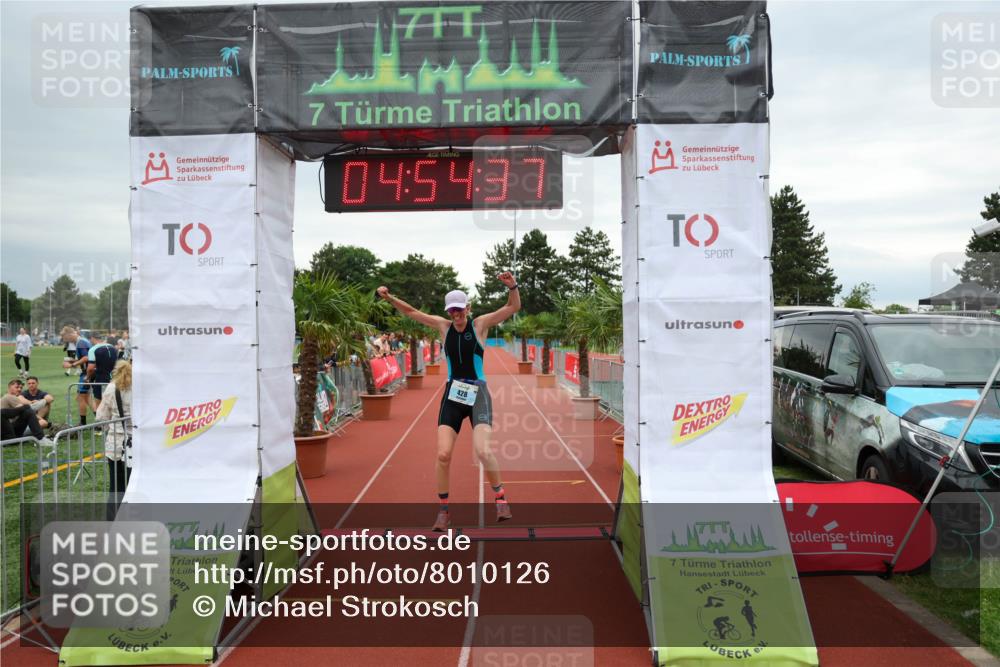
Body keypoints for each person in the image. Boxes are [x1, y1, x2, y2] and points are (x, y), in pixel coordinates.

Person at [378, 273, 520, 531]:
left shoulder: (479, 325)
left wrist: (512, 286)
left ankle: (500, 499)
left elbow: (512, 307)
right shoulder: (443, 327)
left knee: (483, 451)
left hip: (478, 394)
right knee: (443, 454)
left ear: (468, 307)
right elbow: (411, 312)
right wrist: (389, 298)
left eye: (459, 309)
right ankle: (444, 511)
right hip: (453, 395)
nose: (456, 314)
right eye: (451, 310)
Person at [96, 361, 132, 517]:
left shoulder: (111, 388)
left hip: (115, 442)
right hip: (137, 443)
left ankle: (112, 521)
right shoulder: (143, 388)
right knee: (135, 485)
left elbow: (101, 417)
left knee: (116, 487)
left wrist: (110, 428)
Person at [1, 379, 53, 443]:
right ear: (9, 388)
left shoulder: (6, 397)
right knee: (29, 412)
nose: (19, 389)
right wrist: (44, 401)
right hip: (8, 433)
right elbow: (28, 409)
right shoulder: (10, 397)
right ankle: (41, 438)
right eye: (16, 387)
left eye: (21, 388)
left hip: (8, 431)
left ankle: (42, 435)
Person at [61, 326, 93, 424]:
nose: (65, 340)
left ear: (69, 334)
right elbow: (86, 358)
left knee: (81, 397)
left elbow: (87, 358)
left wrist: (72, 364)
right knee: (85, 397)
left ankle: (83, 423)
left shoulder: (81, 342)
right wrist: (73, 361)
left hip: (87, 373)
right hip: (87, 371)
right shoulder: (81, 341)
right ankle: (99, 419)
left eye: (65, 338)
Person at [86, 332, 119, 402]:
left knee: (100, 402)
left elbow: (90, 368)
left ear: (92, 338)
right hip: (115, 378)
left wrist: (87, 377)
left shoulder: (93, 349)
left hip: (101, 379)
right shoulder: (112, 347)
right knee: (113, 401)